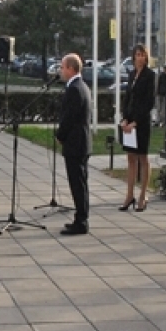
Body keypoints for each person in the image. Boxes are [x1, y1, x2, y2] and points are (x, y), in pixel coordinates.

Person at [55, 54, 93, 236]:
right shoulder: (81, 86)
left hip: (76, 143)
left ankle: (81, 221)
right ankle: (80, 217)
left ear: (71, 68)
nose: (61, 71)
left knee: (77, 183)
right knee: (80, 183)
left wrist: (60, 135)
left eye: (62, 67)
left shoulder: (75, 89)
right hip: (81, 143)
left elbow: (70, 117)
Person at [119, 44, 155, 212]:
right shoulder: (132, 74)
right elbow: (127, 98)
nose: (140, 58)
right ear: (133, 57)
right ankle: (129, 195)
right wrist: (125, 118)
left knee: (142, 158)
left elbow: (149, 102)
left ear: (146, 57)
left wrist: (136, 122)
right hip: (129, 121)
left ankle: (143, 195)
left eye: (143, 55)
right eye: (137, 55)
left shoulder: (150, 75)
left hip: (141, 123)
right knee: (131, 158)